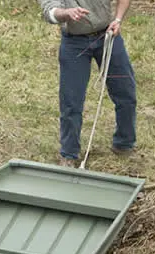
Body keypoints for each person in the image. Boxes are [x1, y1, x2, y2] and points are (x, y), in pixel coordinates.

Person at [37, 0, 137, 166]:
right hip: (74, 43)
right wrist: (66, 13)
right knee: (71, 101)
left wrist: (118, 20)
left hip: (108, 34)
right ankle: (69, 154)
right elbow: (50, 11)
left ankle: (124, 144)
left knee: (126, 92)